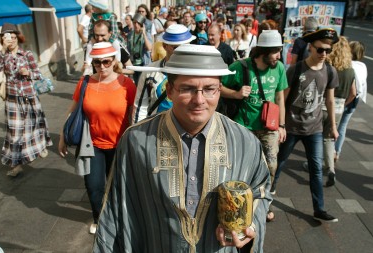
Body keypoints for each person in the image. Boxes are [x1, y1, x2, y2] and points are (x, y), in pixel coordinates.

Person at [93, 44, 272, 253]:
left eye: (209, 89)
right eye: (187, 89)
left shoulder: (245, 142)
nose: (199, 100)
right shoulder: (136, 141)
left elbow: (260, 191)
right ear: (169, 91)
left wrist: (247, 228)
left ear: (219, 90)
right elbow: (116, 207)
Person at [58, 42, 136, 235]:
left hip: (120, 144)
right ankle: (98, 218)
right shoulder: (85, 82)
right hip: (91, 143)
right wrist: (62, 135)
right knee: (94, 187)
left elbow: (134, 115)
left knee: (118, 186)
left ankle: (118, 217)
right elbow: (73, 109)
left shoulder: (126, 84)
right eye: (97, 62)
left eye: (106, 62)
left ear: (114, 61)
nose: (102, 66)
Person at [273, 28, 340, 222]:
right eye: (320, 50)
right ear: (311, 48)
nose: (324, 54)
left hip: (315, 129)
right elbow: (282, 98)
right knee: (279, 165)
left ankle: (319, 208)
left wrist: (333, 126)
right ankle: (267, 197)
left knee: (316, 169)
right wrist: (280, 124)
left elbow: (330, 101)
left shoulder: (329, 70)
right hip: (292, 127)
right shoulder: (297, 68)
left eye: (328, 50)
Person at [221, 30, 288, 222]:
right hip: (244, 126)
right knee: (242, 167)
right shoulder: (241, 67)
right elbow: (217, 86)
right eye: (276, 51)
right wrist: (235, 94)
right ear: (264, 51)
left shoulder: (280, 68)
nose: (279, 55)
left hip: (269, 126)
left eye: (280, 51)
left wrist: (282, 125)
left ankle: (265, 203)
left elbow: (279, 97)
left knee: (271, 165)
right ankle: (239, 204)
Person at [0, 23, 52, 177]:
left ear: (18, 38)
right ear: (3, 40)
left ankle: (39, 147)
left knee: (35, 127)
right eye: (7, 38)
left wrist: (28, 73)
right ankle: (16, 165)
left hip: (29, 97)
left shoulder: (27, 55)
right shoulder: (3, 55)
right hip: (12, 100)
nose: (11, 41)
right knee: (14, 133)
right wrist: (2, 51)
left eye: (13, 37)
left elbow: (38, 74)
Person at [132, 24, 196, 123]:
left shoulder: (197, 72)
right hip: (156, 131)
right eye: (176, 47)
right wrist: (137, 134)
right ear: (164, 46)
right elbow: (141, 108)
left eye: (186, 46)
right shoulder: (150, 72)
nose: (182, 51)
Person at [321, 36, 356, 186]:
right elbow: (353, 93)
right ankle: (330, 169)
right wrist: (342, 104)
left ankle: (314, 164)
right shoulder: (350, 70)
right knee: (328, 138)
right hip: (339, 108)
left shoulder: (327, 66)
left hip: (321, 105)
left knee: (315, 137)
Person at [335, 41, 367, 162]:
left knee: (332, 126)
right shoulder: (363, 66)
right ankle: (337, 152)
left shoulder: (347, 65)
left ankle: (328, 152)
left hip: (343, 98)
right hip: (355, 100)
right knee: (342, 127)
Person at [83, 0, 122, 75]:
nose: (92, 8)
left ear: (99, 7)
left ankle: (117, 63)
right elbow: (90, 29)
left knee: (116, 44)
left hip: (110, 39)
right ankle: (87, 65)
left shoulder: (110, 16)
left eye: (94, 7)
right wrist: (92, 38)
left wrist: (109, 42)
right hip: (96, 39)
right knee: (89, 46)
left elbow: (115, 31)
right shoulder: (93, 16)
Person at [127, 13, 152, 85]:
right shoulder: (130, 34)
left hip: (143, 63)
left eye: (138, 23)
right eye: (134, 23)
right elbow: (128, 48)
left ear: (142, 24)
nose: (136, 25)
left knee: (142, 84)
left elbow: (149, 48)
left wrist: (144, 34)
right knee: (136, 84)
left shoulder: (147, 34)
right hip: (134, 62)